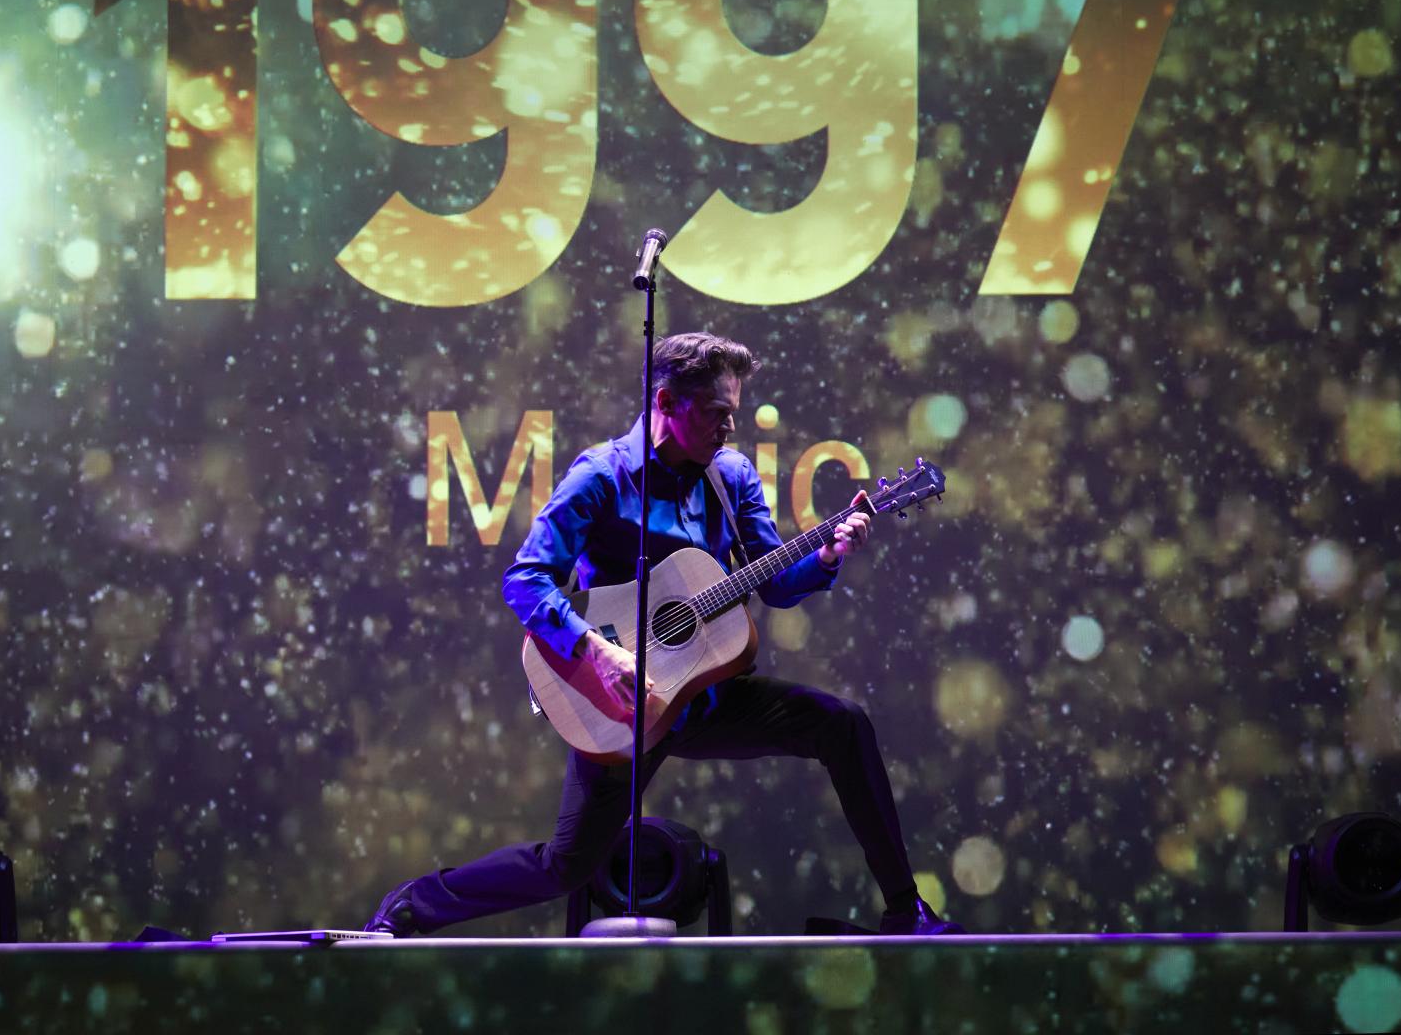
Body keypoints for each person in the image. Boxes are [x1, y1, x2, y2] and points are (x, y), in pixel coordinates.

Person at [363, 332, 958, 936]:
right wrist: (599, 653)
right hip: (617, 702)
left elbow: (775, 582)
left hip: (707, 697)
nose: (730, 426)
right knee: (566, 866)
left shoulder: (731, 476)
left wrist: (827, 555)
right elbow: (525, 580)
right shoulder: (602, 476)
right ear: (667, 402)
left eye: (734, 411)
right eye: (717, 412)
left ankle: (904, 910)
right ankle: (418, 903)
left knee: (843, 724)